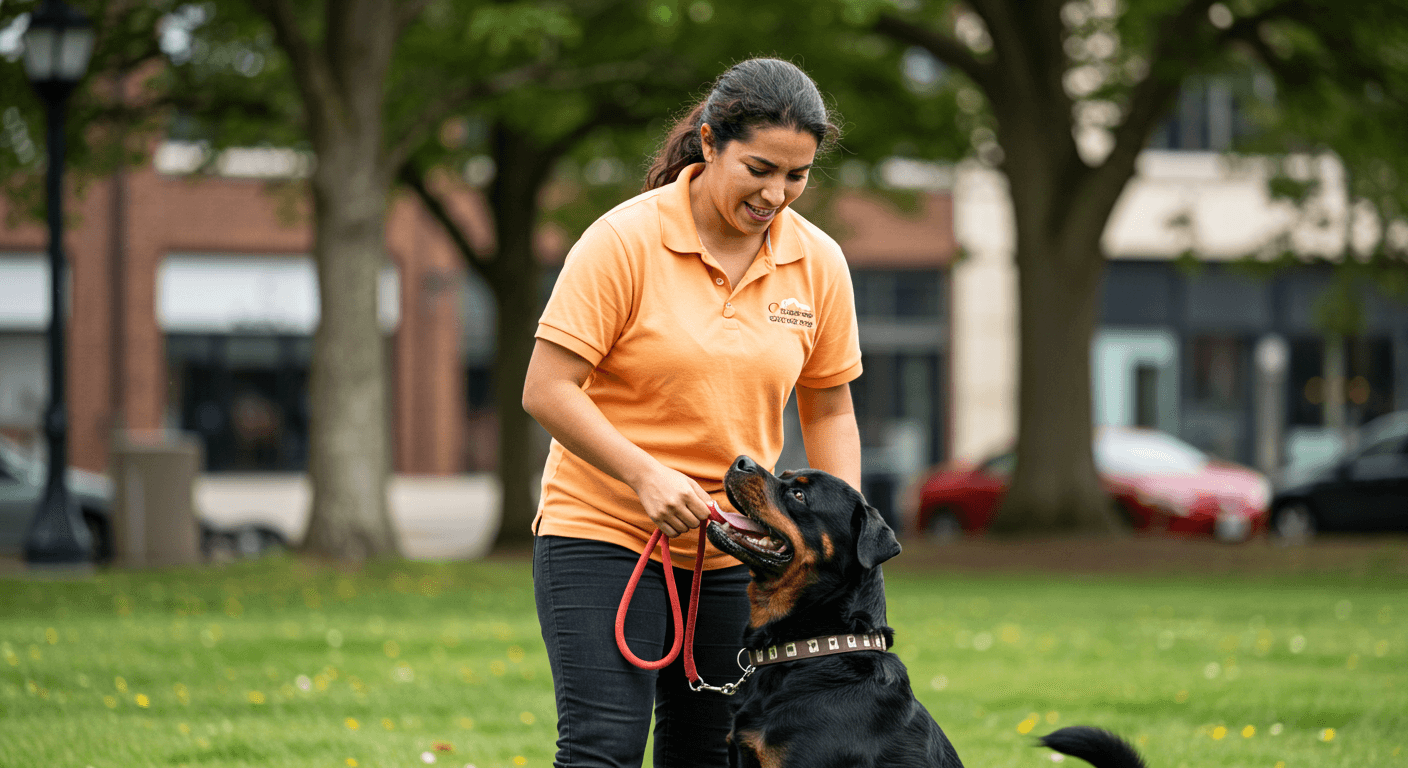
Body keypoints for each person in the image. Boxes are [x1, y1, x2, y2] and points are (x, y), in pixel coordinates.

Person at [521, 57, 864, 768]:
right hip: (606, 531)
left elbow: (828, 408)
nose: (777, 194)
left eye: (797, 175)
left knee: (709, 754)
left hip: (737, 548)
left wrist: (842, 539)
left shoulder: (818, 262)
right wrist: (646, 475)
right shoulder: (624, 241)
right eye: (760, 168)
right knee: (602, 748)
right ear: (710, 143)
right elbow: (548, 388)